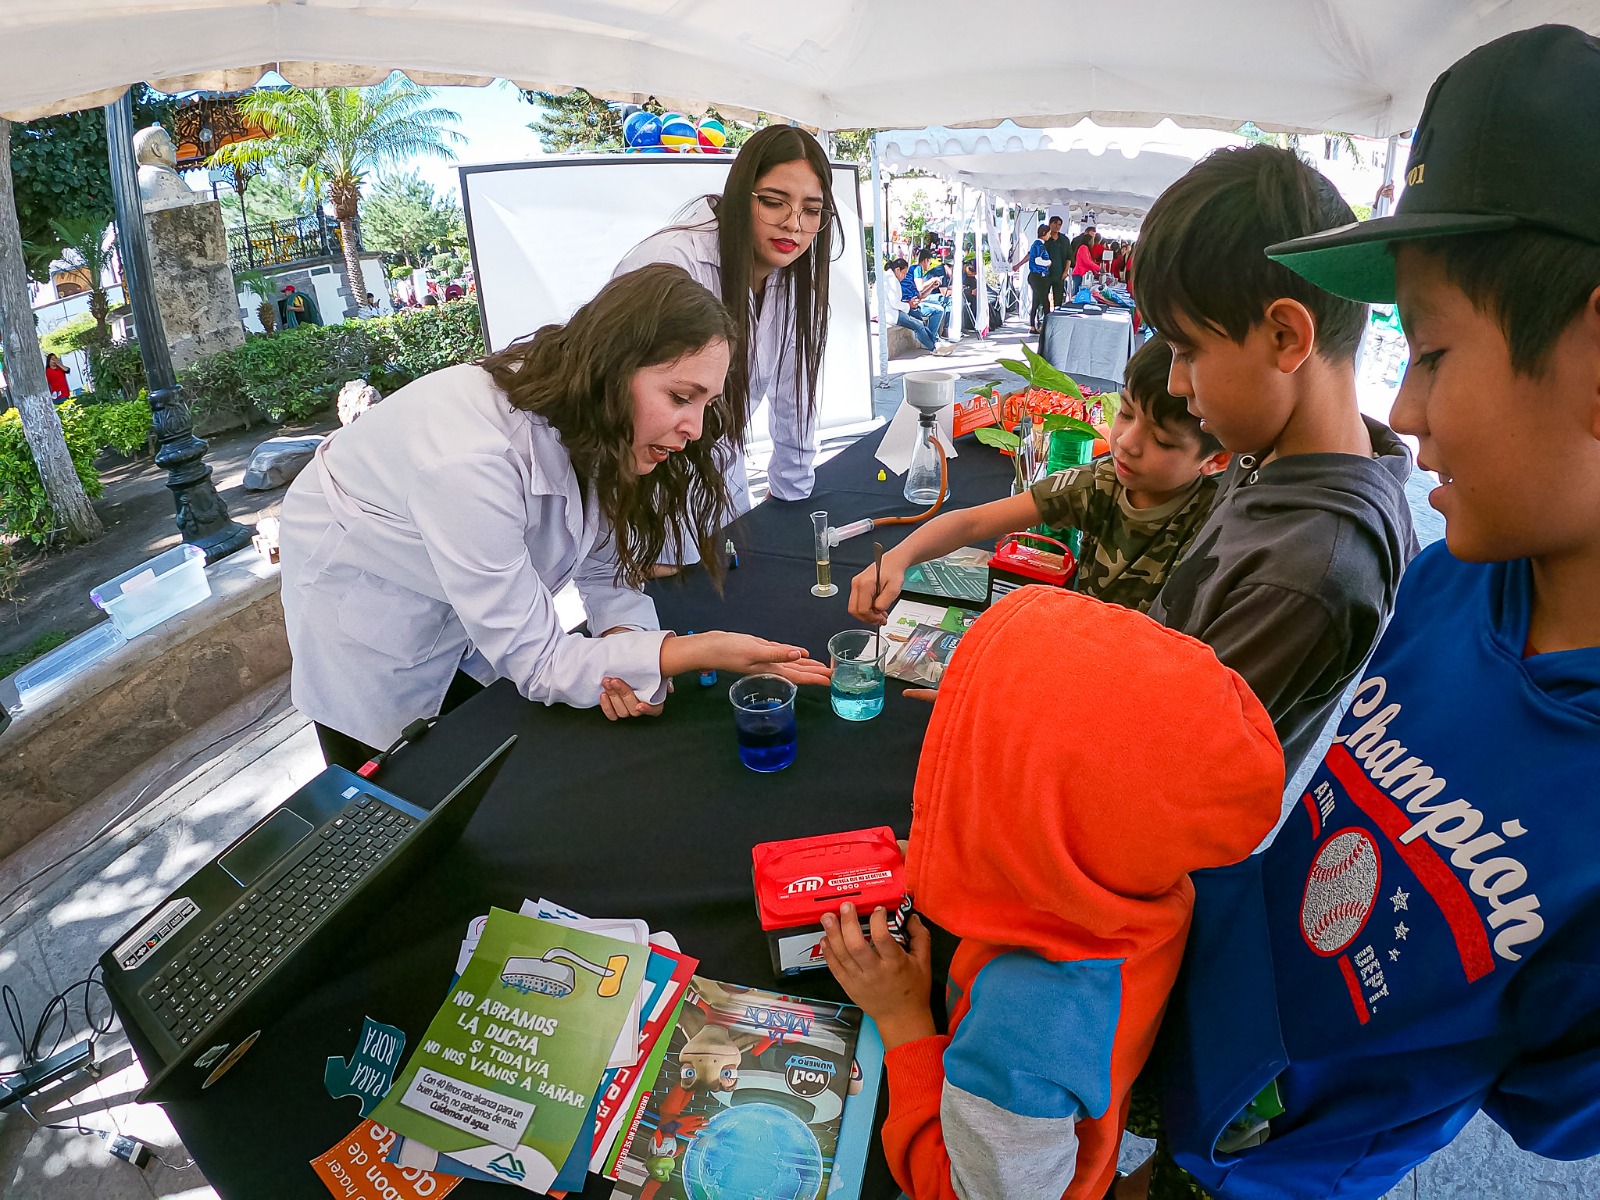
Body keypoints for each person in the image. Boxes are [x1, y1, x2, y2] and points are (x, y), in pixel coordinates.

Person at [1153, 25, 1600, 1199]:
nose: (1402, 407)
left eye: (1437, 352)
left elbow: (1556, 1107)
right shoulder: (1457, 568)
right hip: (1186, 1042)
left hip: (1287, 1167)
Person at [820, 585, 1284, 1200]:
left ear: (1039, 828)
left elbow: (966, 1192)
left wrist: (902, 1016)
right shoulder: (1144, 881)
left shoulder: (1025, 1031)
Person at [278, 264, 830, 771]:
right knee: (389, 804)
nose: (694, 428)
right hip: (369, 622)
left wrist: (627, 652)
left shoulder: (589, 418)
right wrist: (701, 650)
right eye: (682, 396)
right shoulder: (470, 460)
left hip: (460, 612)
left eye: (706, 404)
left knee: (474, 748)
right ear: (613, 367)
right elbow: (539, 662)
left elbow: (606, 566)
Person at [1135, 144, 1418, 778]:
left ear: (1286, 337)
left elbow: (1166, 770)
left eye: (1187, 350)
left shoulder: (1310, 567)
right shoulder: (1278, 457)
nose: (1177, 384)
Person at [849, 336, 1229, 618]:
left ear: (1216, 459)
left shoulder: (1216, 521)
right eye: (1126, 414)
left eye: (1161, 440)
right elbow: (974, 521)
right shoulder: (1099, 483)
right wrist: (900, 557)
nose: (1127, 443)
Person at [613, 125, 841, 550]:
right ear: (741, 193)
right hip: (645, 490)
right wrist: (653, 540)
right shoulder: (672, 264)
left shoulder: (792, 281)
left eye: (812, 211)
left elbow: (795, 392)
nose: (793, 223)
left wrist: (791, 492)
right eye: (774, 202)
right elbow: (622, 409)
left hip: (721, 485)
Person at [881, 258, 947, 355]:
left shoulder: (891, 278)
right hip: (891, 312)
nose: (904, 277)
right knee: (918, 325)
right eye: (904, 273)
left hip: (896, 310)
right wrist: (909, 305)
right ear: (897, 270)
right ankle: (934, 347)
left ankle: (936, 343)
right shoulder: (890, 279)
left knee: (919, 322)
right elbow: (895, 303)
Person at [1014, 222, 1053, 333]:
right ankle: (1046, 324)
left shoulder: (1036, 245)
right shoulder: (1039, 245)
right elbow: (1037, 260)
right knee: (1045, 301)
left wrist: (1019, 265)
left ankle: (1033, 325)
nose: (1050, 236)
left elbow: (1030, 256)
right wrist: (1048, 262)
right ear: (1044, 233)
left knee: (1036, 301)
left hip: (1035, 276)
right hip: (1038, 276)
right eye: (1049, 233)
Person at [912, 249, 951, 340]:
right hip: (913, 304)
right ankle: (931, 338)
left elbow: (921, 295)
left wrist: (932, 287)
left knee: (939, 308)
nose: (929, 265)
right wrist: (932, 280)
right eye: (929, 261)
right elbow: (920, 288)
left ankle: (932, 336)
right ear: (926, 260)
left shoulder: (918, 270)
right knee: (939, 309)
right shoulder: (918, 268)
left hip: (917, 300)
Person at [1046, 214, 1070, 307]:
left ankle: (1056, 315)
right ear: (1050, 224)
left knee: (1058, 298)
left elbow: (1069, 257)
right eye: (1055, 223)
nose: (1057, 226)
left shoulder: (1064, 240)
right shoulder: (1045, 239)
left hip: (1059, 273)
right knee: (1044, 297)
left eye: (1059, 224)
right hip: (1046, 273)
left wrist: (1065, 272)